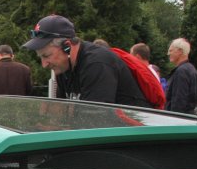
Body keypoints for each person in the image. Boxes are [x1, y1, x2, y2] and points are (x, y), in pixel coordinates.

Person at [22, 15, 150, 107]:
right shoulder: (63, 69)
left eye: (46, 55)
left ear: (67, 46)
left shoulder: (97, 64)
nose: (44, 65)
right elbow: (62, 114)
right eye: (41, 58)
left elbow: (94, 122)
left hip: (133, 139)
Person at [164, 38, 197, 114]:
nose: (168, 53)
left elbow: (179, 100)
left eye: (171, 50)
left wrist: (173, 119)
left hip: (178, 119)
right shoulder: (191, 69)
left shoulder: (181, 71)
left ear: (180, 51)